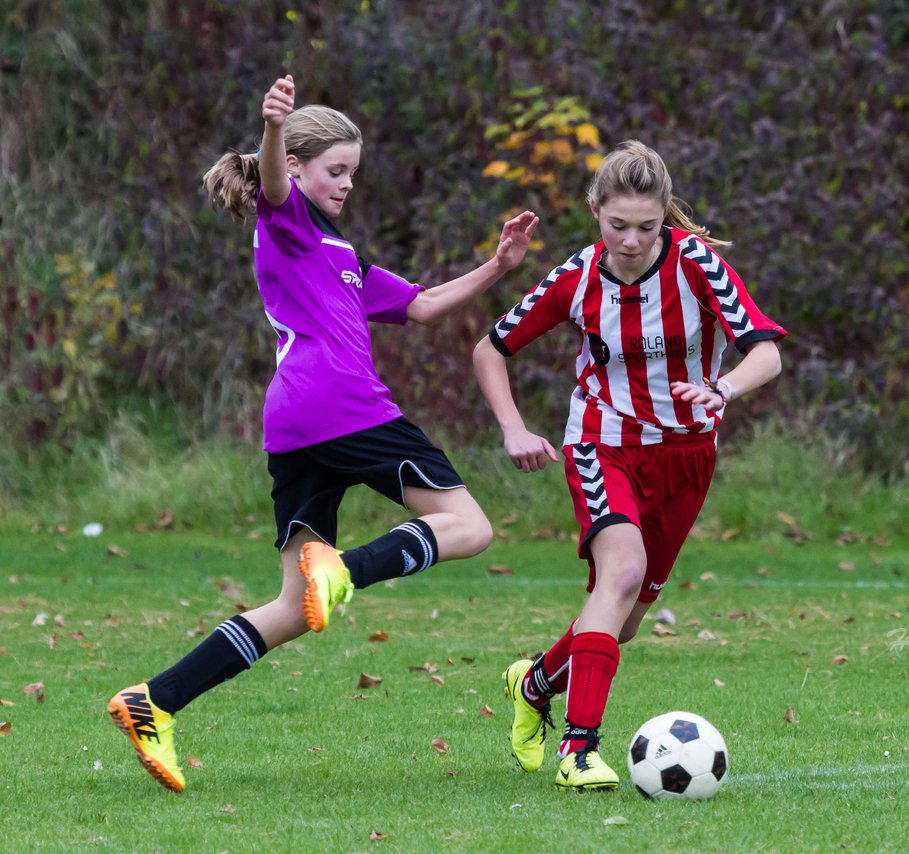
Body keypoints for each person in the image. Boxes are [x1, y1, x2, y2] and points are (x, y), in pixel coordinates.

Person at [106, 75, 538, 792]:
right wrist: (273, 127)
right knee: (469, 526)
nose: (345, 184)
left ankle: (153, 701)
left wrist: (498, 266)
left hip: (296, 423)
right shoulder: (288, 221)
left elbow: (424, 306)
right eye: (335, 171)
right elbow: (274, 183)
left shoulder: (340, 252)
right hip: (346, 406)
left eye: (351, 174)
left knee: (291, 607)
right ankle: (347, 570)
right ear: (302, 168)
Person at [473, 140, 786, 790]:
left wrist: (722, 388)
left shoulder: (695, 263)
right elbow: (491, 348)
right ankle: (578, 750)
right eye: (618, 225)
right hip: (602, 442)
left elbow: (766, 352)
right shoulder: (578, 276)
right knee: (619, 577)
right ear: (594, 212)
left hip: (688, 455)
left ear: (665, 216)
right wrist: (512, 428)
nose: (633, 240)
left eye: (647, 226)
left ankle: (533, 684)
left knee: (629, 617)